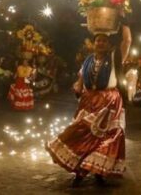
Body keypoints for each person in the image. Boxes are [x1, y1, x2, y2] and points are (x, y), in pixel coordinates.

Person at [46, 25, 131, 188]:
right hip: (89, 100)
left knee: (107, 136)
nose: (100, 43)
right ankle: (80, 171)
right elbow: (80, 79)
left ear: (108, 44)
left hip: (109, 101)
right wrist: (78, 86)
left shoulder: (114, 57)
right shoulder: (88, 60)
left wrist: (124, 22)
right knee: (81, 132)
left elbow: (127, 41)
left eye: (104, 41)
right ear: (93, 44)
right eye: (98, 40)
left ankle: (99, 171)